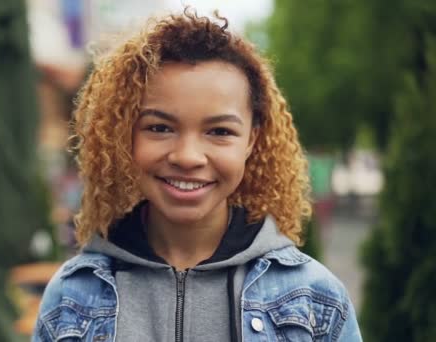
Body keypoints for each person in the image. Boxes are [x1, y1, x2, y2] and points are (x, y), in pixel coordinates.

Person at [32, 10, 362, 342]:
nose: (188, 157)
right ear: (126, 135)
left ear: (252, 140)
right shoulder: (71, 299)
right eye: (159, 128)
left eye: (219, 131)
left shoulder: (315, 300)